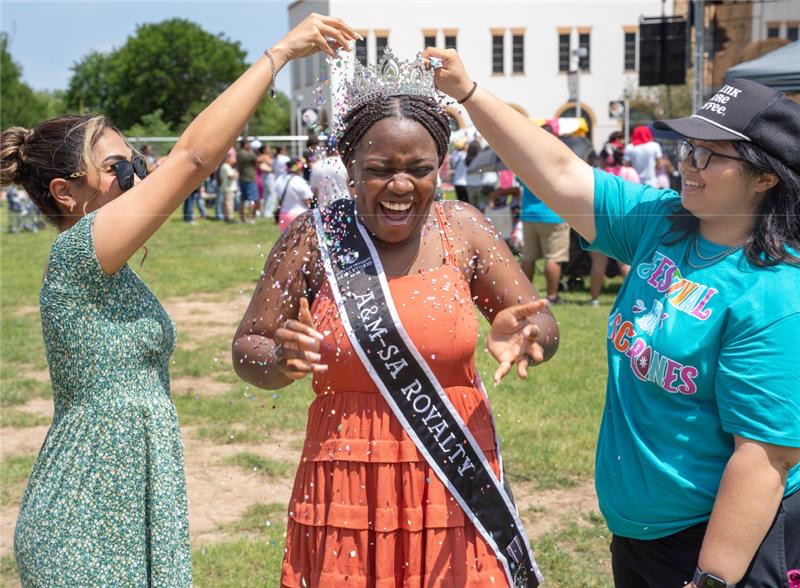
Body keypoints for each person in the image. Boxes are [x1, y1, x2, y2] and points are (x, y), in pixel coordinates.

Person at [0, 14, 359, 586]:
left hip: (128, 503)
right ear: (66, 192)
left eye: (138, 163)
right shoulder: (75, 256)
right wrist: (281, 53)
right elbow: (192, 159)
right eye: (118, 169)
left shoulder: (110, 270)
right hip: (82, 519)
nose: (139, 178)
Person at [426, 48, 800, 588]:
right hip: (642, 536)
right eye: (688, 148)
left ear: (765, 178)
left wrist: (711, 579)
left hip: (721, 548)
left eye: (709, 156)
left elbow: (763, 461)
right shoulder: (665, 222)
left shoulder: (775, 292)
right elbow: (559, 172)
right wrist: (469, 92)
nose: (686, 165)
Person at [232, 56, 559, 586]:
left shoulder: (465, 231)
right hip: (345, 478)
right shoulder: (312, 239)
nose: (400, 186)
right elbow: (247, 347)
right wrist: (278, 360)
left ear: (441, 166)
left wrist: (529, 335)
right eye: (380, 169)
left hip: (453, 474)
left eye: (419, 169)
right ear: (349, 164)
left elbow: (543, 325)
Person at [588, 147, 636, 307]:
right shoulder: (629, 172)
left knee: (598, 263)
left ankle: (594, 299)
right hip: (624, 222)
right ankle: (635, 298)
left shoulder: (597, 174)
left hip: (599, 222)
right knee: (625, 263)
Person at [308, 139, 350, 209]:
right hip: (346, 207)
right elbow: (352, 188)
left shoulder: (316, 166)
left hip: (325, 210)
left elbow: (315, 192)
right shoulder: (345, 164)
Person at [236, 138, 259, 223]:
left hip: (242, 178)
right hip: (250, 178)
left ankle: (242, 218)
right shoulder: (248, 154)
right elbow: (256, 160)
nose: (250, 145)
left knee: (243, 199)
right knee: (252, 199)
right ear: (244, 144)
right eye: (248, 144)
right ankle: (250, 218)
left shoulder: (239, 153)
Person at [219, 149, 240, 223]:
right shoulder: (226, 166)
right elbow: (230, 176)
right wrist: (236, 174)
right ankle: (229, 218)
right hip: (228, 188)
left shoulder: (225, 166)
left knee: (227, 203)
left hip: (227, 187)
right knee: (229, 204)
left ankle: (227, 216)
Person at [450, 137, 469, 202]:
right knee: (467, 204)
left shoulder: (454, 154)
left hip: (456, 182)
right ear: (464, 146)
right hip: (464, 182)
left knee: (460, 203)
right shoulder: (465, 156)